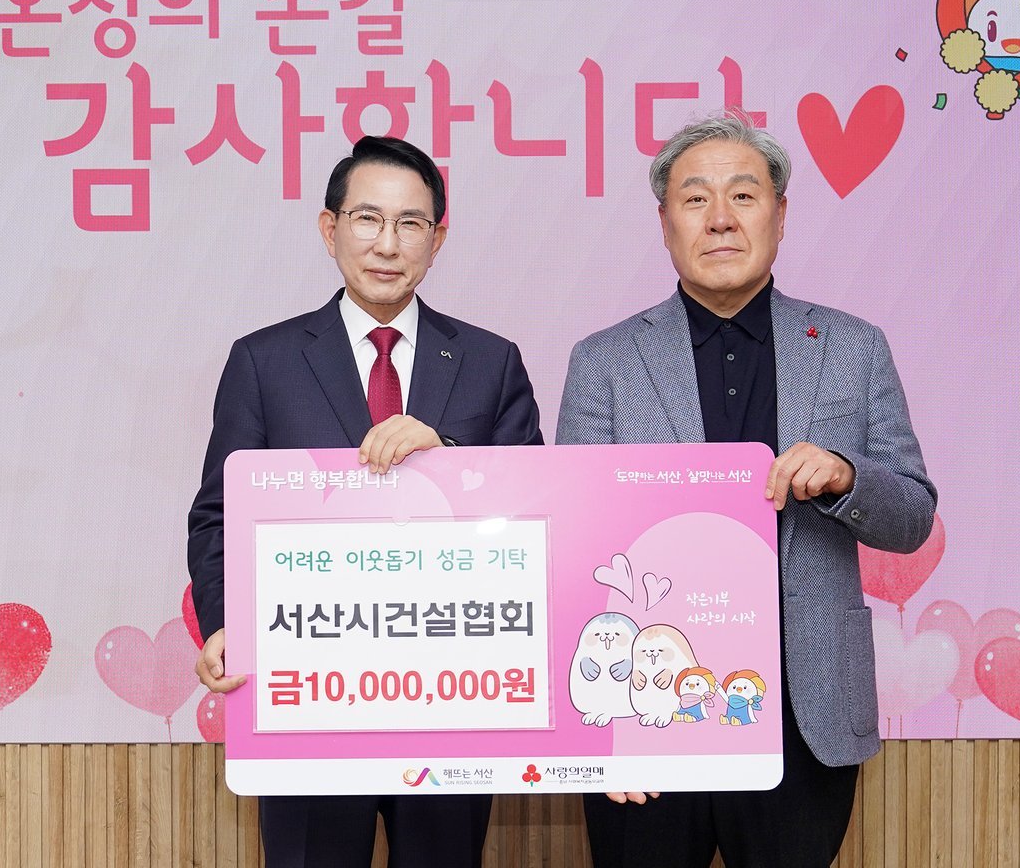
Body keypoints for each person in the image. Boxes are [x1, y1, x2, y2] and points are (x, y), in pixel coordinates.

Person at [557, 113, 936, 867]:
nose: (721, 219)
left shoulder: (853, 347)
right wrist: (602, 729)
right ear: (665, 222)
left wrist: (846, 476)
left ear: (780, 214)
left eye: (744, 195)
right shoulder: (605, 361)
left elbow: (913, 516)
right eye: (696, 199)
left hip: (802, 709)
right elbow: (573, 547)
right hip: (649, 708)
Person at [187, 135, 542, 868]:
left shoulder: (490, 361)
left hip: (452, 694)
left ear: (438, 238)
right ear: (330, 229)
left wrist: (449, 457)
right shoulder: (264, 361)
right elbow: (219, 514)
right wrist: (226, 625)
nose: (387, 244)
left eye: (411, 223)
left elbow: (535, 509)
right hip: (308, 694)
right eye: (367, 219)